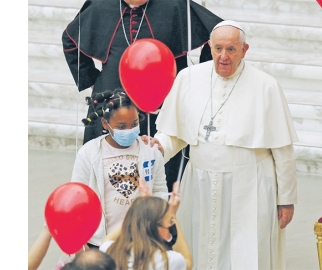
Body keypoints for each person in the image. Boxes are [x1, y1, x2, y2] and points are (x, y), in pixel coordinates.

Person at [149, 20, 298, 270]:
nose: (224, 56)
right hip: (199, 184)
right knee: (197, 249)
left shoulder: (266, 85)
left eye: (231, 49)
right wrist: (155, 149)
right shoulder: (188, 78)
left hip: (249, 186)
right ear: (210, 47)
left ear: (244, 50)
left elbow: (282, 150)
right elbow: (174, 134)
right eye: (218, 49)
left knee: (247, 253)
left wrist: (286, 199)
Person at [62, 0, 223, 191]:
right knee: (107, 172)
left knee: (162, 171)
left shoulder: (174, 5)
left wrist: (198, 79)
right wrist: (93, 80)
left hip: (164, 103)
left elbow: (217, 33)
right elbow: (70, 39)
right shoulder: (100, 5)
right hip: (112, 103)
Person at [71, 88, 168, 249]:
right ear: (105, 123)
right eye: (122, 127)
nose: (129, 130)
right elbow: (77, 198)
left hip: (141, 241)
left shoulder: (150, 152)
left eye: (135, 124)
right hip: (101, 243)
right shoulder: (89, 153)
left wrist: (158, 228)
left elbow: (160, 193)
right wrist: (79, 241)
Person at [100, 180, 193, 270]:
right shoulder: (167, 260)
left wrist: (141, 210)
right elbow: (188, 262)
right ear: (155, 228)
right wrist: (172, 214)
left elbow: (108, 239)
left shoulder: (110, 252)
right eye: (169, 224)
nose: (169, 231)